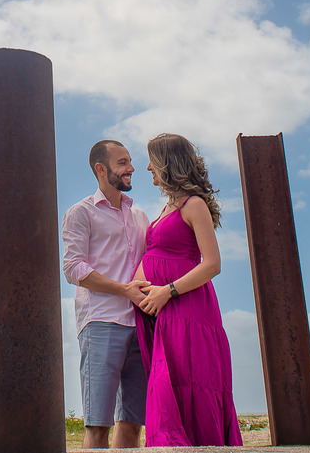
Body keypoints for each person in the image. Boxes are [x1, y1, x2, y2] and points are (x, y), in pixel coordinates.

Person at [134, 133, 242, 446]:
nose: (148, 168)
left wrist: (167, 291)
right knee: (169, 385)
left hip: (189, 309)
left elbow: (212, 264)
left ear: (167, 163)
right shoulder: (166, 208)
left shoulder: (193, 205)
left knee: (191, 383)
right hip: (164, 314)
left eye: (152, 161)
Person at [62, 140, 151, 448]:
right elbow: (73, 268)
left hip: (140, 325)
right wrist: (122, 289)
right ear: (101, 169)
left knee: (132, 424)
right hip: (100, 323)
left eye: (130, 161)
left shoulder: (140, 216)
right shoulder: (81, 212)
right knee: (97, 425)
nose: (131, 168)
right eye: (122, 162)